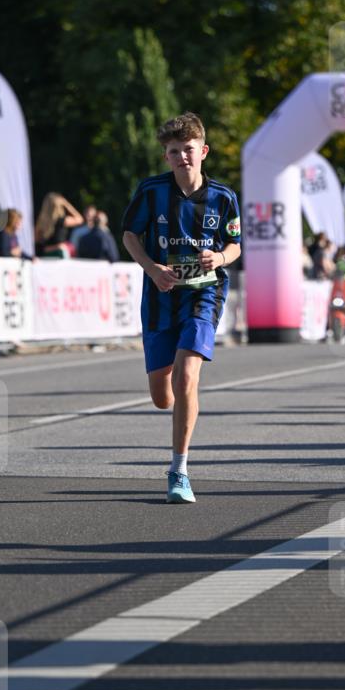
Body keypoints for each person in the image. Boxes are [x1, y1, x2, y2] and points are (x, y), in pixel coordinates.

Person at [122, 111, 241, 503]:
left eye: (188, 150)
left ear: (203, 151)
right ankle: (176, 405)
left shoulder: (223, 197)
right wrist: (153, 268)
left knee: (187, 376)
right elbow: (129, 235)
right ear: (166, 157)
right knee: (163, 395)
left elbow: (235, 245)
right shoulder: (151, 191)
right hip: (160, 295)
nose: (182, 157)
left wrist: (219, 259)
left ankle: (179, 470)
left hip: (204, 295)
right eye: (174, 151)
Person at [35, 192, 84, 257]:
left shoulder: (40, 222)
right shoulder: (62, 220)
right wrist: (67, 204)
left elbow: (37, 242)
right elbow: (80, 219)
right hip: (59, 252)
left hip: (44, 253)